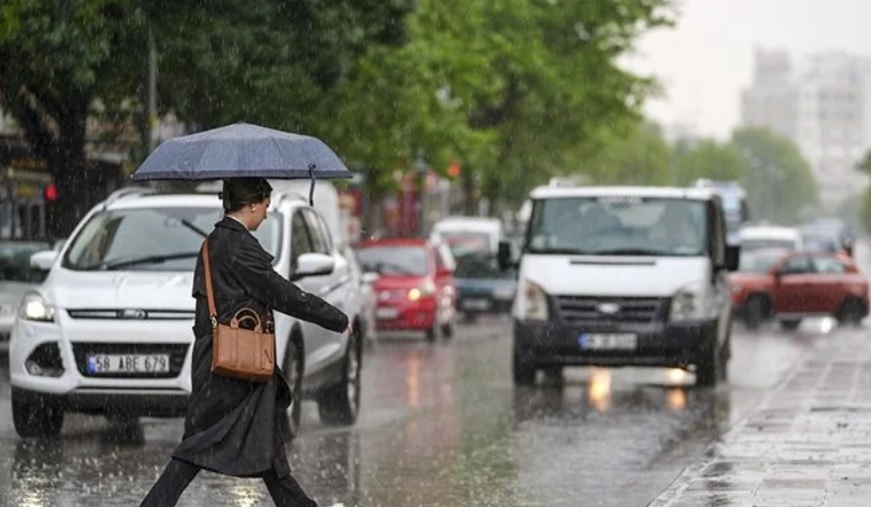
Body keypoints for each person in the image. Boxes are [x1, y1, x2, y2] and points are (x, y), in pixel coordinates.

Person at [140, 178, 352, 507]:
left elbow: (204, 311)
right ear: (252, 204)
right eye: (265, 206)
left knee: (263, 450)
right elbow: (282, 293)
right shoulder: (239, 247)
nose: (266, 214)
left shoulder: (212, 243)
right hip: (237, 366)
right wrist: (334, 318)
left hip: (217, 360)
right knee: (197, 448)